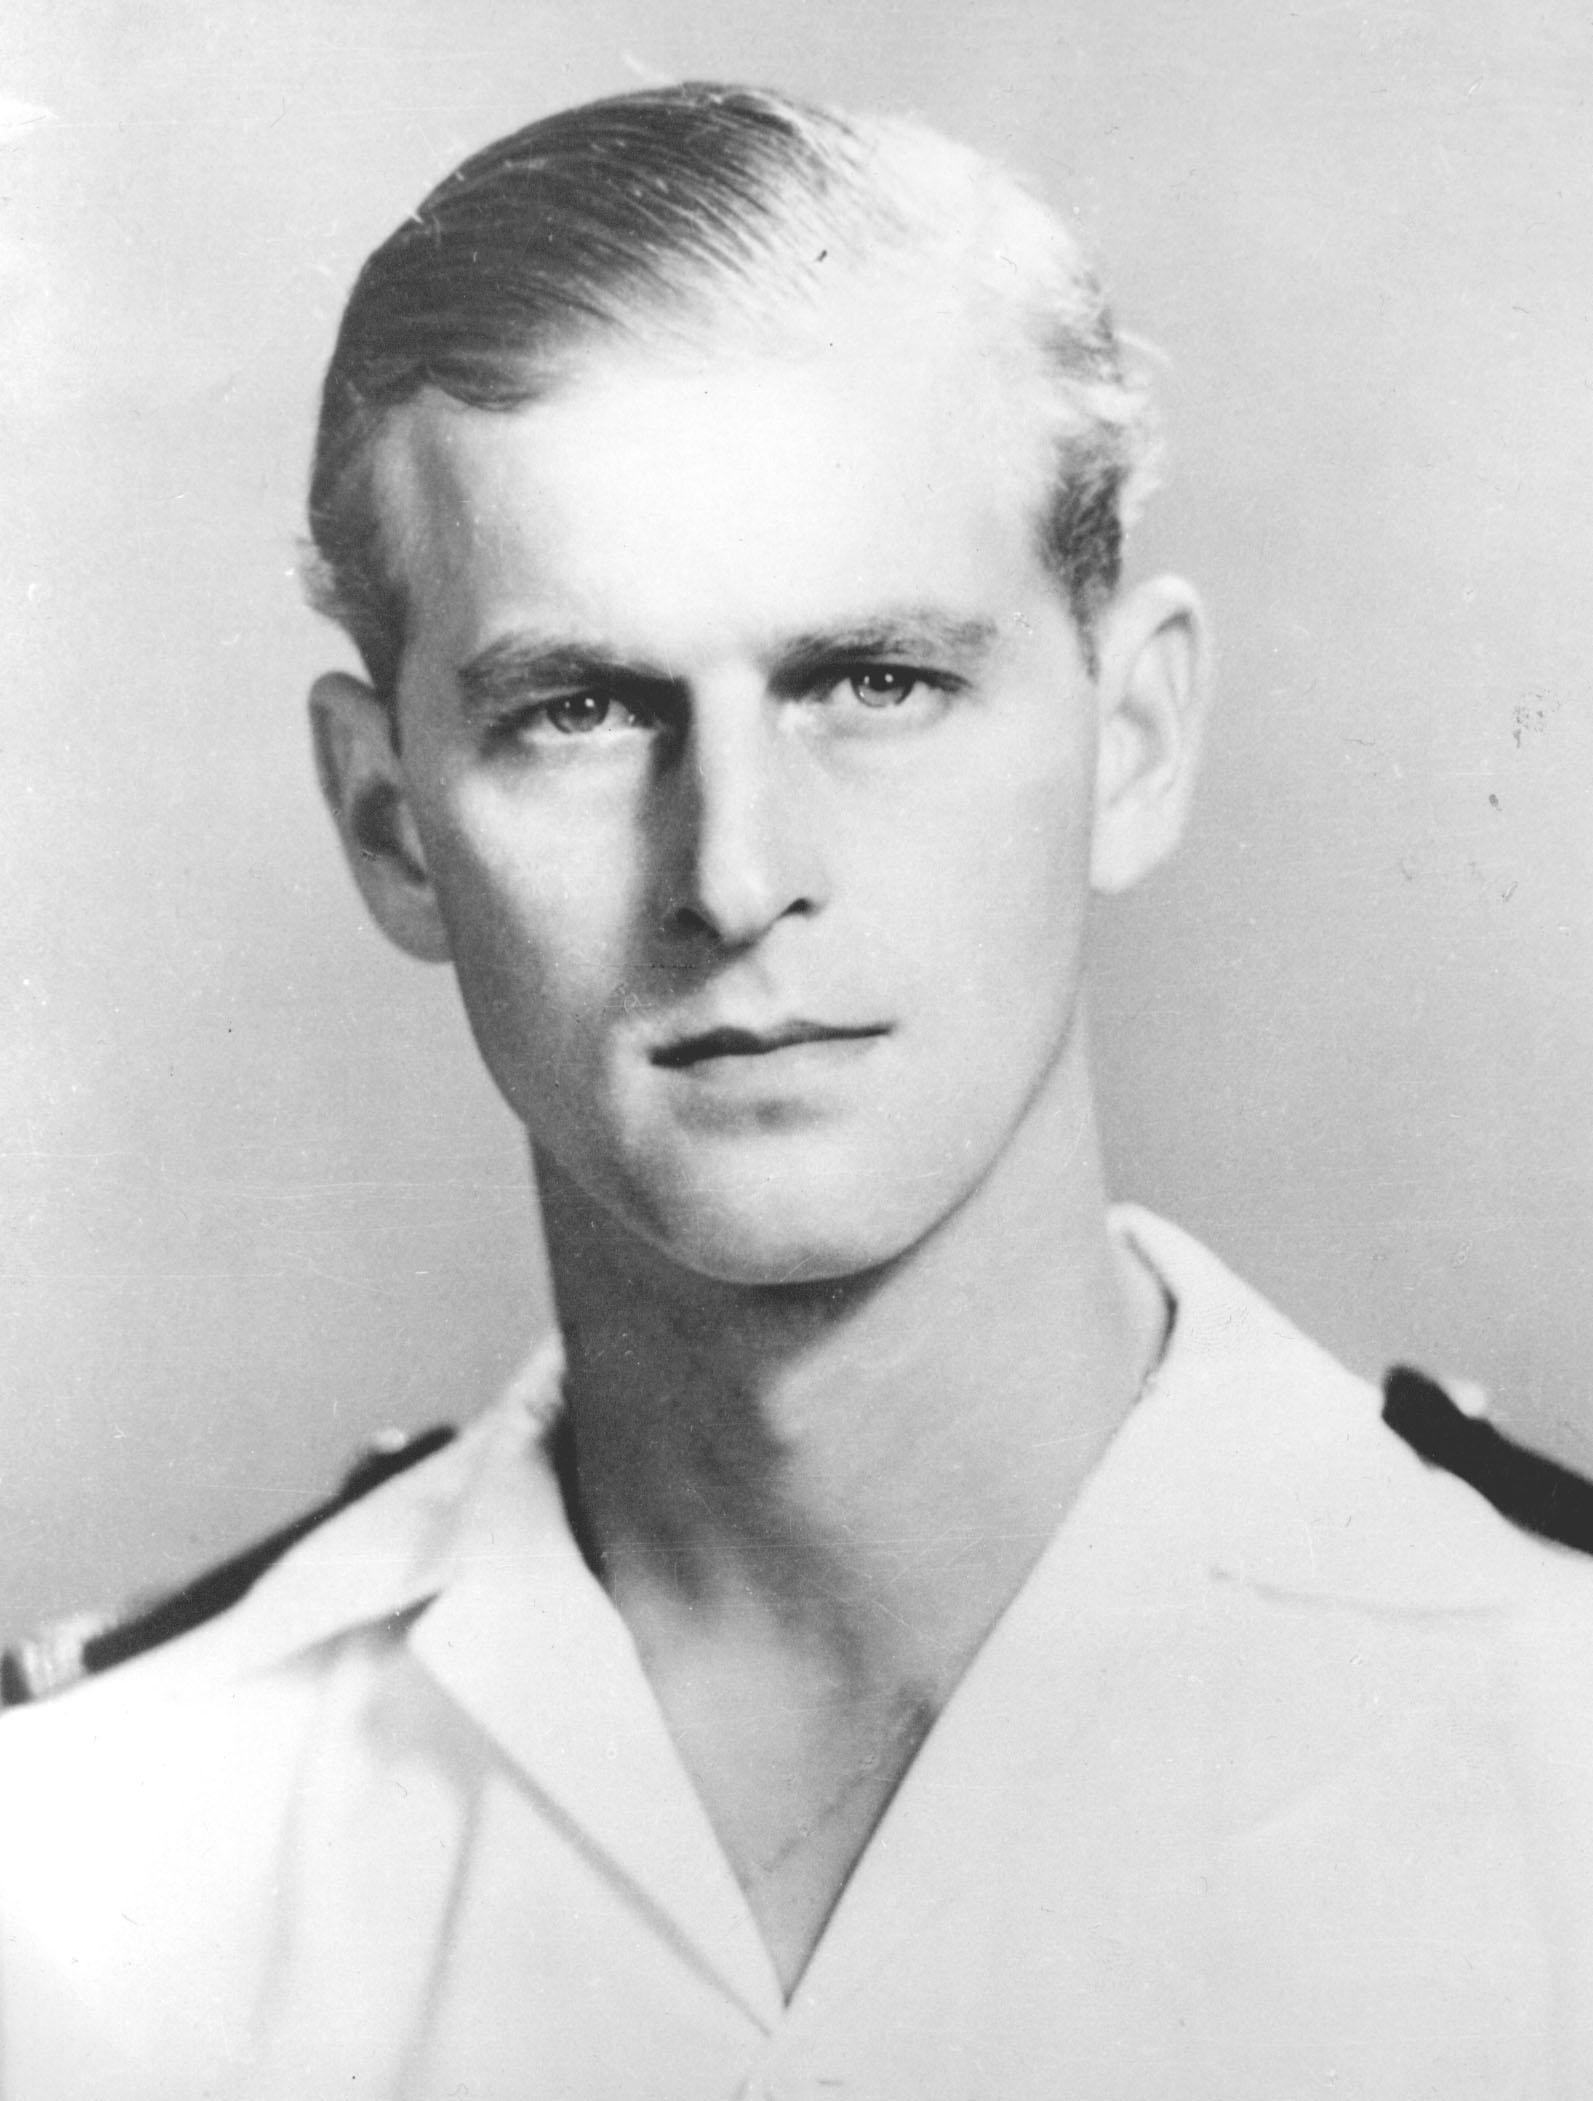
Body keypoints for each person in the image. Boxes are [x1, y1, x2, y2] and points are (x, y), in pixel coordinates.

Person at [3, 80, 1592, 2100]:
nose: (737, 873)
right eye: (577, 712)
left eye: (873, 683)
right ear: (390, 821)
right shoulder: (82, 1878)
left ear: (1129, 740)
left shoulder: (1565, 1733)